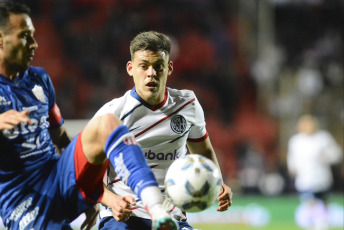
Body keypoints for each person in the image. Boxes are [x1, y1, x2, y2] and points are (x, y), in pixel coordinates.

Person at [0, 2, 178, 230]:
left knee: (106, 124)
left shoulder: (39, 80)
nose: (34, 44)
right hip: (23, 201)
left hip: (58, 180)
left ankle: (156, 208)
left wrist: (100, 196)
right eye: (25, 36)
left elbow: (63, 142)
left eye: (33, 35)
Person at [95, 31, 233, 230]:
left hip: (172, 218)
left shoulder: (188, 105)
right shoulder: (112, 115)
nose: (151, 73)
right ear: (130, 68)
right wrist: (111, 201)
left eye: (158, 66)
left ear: (169, 68)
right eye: (143, 66)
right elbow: (85, 174)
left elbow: (203, 151)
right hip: (124, 218)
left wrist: (217, 183)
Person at [287, 114, 342, 230]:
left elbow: (337, 154)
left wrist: (325, 156)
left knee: (324, 205)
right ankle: (313, 226)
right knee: (310, 204)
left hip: (323, 180)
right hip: (306, 180)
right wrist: (293, 168)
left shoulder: (323, 138)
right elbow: (291, 159)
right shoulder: (296, 141)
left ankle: (323, 225)